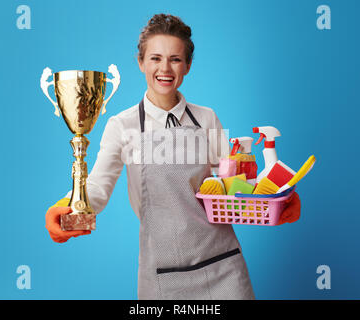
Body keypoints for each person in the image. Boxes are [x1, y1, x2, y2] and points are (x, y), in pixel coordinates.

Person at [45, 13, 301, 300]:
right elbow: (98, 187)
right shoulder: (122, 125)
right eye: (155, 58)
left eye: (175, 59)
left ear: (188, 66)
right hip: (162, 273)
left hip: (222, 263)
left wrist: (278, 196)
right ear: (140, 62)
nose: (165, 68)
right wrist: (66, 206)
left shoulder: (206, 118)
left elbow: (236, 183)